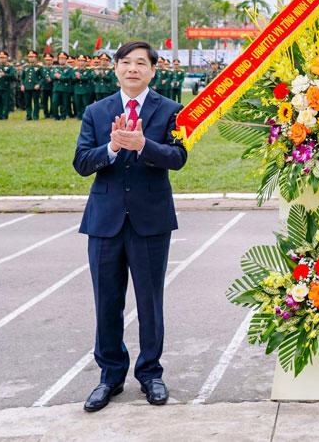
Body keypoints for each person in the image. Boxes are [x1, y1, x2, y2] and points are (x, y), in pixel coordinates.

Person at [73, 41, 188, 413]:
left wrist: (142, 145)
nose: (132, 69)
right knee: (107, 301)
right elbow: (81, 162)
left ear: (153, 70)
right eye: (125, 62)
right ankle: (110, 376)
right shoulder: (96, 111)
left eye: (141, 63)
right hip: (104, 221)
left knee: (150, 301)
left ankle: (150, 373)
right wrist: (111, 148)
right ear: (116, 69)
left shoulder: (170, 110)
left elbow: (178, 156)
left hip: (150, 221)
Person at [0, 50, 17, 120]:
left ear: (7, 58)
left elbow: (14, 76)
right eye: (0, 58)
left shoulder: (10, 67)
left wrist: (5, 75)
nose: (2, 59)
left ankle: (5, 115)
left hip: (6, 87)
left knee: (5, 102)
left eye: (3, 58)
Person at [21, 50, 44, 121]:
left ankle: (35, 116)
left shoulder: (39, 67)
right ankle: (28, 116)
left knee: (36, 102)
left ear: (36, 57)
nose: (31, 58)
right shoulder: (25, 67)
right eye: (29, 57)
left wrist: (39, 84)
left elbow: (43, 78)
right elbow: (22, 78)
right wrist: (22, 85)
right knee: (27, 103)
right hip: (27, 87)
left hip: (35, 87)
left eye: (32, 57)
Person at [51, 52, 73, 120]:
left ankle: (63, 116)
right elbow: (52, 76)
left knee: (65, 103)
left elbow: (68, 77)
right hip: (56, 88)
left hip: (65, 88)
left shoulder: (69, 69)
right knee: (54, 102)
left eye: (63, 59)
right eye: (60, 59)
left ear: (66, 60)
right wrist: (61, 77)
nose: (61, 60)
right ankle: (56, 116)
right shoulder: (55, 68)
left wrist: (60, 76)